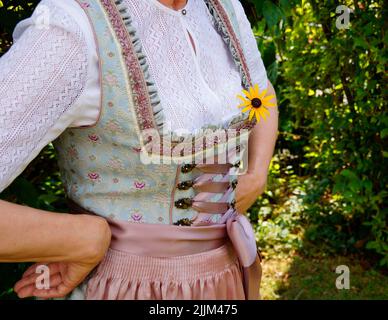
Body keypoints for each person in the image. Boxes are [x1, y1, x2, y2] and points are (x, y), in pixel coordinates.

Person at [0, 0, 278, 300]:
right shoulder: (71, 28)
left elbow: (260, 93)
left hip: (228, 280)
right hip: (126, 288)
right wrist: (80, 239)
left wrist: (257, 171)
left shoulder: (220, 7)